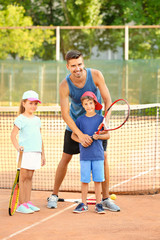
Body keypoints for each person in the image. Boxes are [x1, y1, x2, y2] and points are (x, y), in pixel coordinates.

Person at [47, 50, 120, 212]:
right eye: (73, 66)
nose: (77, 68)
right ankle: (54, 195)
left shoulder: (96, 75)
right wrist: (79, 135)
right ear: (68, 67)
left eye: (79, 64)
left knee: (104, 157)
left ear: (83, 63)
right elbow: (65, 114)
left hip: (96, 125)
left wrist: (105, 123)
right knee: (65, 158)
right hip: (75, 126)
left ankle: (106, 199)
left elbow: (107, 99)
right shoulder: (64, 85)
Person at [72, 91, 110, 214]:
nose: (89, 106)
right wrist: (81, 141)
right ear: (83, 106)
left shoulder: (101, 119)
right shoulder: (80, 120)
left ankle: (99, 204)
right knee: (85, 180)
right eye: (86, 104)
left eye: (91, 103)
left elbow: (107, 135)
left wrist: (99, 137)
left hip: (98, 155)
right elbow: (73, 135)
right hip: (85, 156)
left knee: (98, 181)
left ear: (95, 103)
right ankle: (83, 204)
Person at [11, 90, 46, 214]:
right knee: (23, 177)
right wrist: (18, 147)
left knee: (30, 177)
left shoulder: (37, 120)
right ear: (24, 103)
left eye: (35, 104)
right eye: (31, 103)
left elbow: (40, 137)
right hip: (25, 153)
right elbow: (13, 136)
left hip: (36, 152)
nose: (33, 106)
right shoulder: (20, 119)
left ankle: (27, 202)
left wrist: (43, 154)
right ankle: (21, 204)